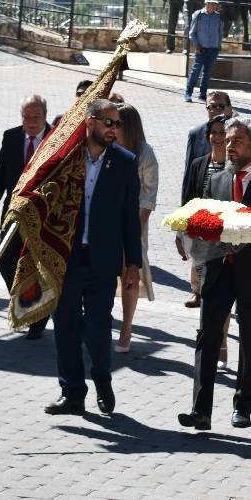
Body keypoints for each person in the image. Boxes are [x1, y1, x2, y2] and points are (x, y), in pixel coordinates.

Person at [178, 117, 251, 431]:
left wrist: (247, 235)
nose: (229, 146)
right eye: (228, 140)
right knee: (207, 337)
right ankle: (201, 410)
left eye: (237, 141)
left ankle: (243, 405)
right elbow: (207, 221)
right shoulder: (217, 180)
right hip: (218, 269)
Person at [46, 99, 142, 416]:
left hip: (103, 260)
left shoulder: (125, 163)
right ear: (90, 122)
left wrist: (133, 264)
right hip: (68, 257)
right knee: (66, 324)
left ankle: (102, 382)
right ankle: (71, 392)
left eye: (117, 124)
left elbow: (130, 217)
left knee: (98, 327)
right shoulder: (67, 159)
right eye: (108, 122)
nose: (114, 129)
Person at [0, 94, 50, 339]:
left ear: (45, 115)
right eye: (26, 116)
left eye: (37, 117)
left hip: (43, 218)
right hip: (12, 214)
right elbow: (0, 174)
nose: (31, 122)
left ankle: (38, 317)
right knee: (6, 262)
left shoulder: (57, 139)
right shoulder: (11, 137)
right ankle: (26, 302)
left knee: (36, 264)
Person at [112, 103, 158, 353]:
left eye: (117, 123)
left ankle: (126, 329)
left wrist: (132, 232)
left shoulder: (145, 153)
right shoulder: (107, 147)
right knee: (106, 273)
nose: (112, 128)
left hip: (134, 223)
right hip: (107, 223)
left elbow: (149, 198)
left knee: (129, 275)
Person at [180, 115, 229, 309]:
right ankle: (196, 292)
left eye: (222, 133)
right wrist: (183, 225)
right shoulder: (198, 163)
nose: (218, 137)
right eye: (213, 133)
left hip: (225, 222)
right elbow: (189, 194)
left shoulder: (233, 165)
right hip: (201, 220)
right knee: (198, 259)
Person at [183, 91, 233, 186]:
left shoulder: (240, 133)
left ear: (230, 109)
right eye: (212, 107)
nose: (215, 110)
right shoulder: (196, 134)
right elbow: (189, 173)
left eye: (220, 106)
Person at [185, 0, 223, 103]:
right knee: (195, 72)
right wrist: (196, 45)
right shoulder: (199, 15)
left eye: (215, 4)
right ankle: (188, 93)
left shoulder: (218, 17)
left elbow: (220, 32)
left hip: (213, 49)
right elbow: (192, 33)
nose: (213, 6)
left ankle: (202, 95)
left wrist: (219, 44)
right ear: (206, 4)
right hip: (201, 49)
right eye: (211, 3)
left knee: (207, 73)